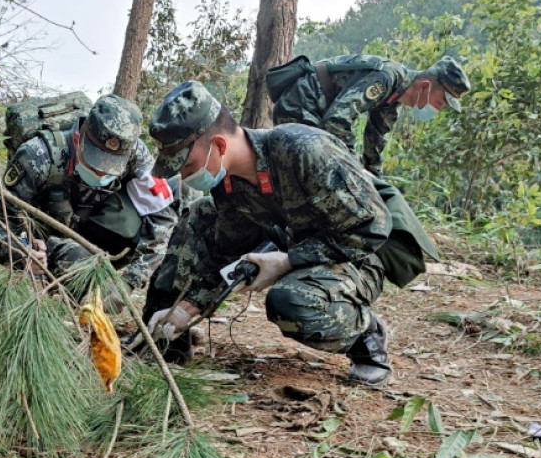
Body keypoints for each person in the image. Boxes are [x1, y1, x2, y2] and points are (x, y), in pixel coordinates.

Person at [141, 81, 394, 386]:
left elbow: (372, 229)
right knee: (199, 214)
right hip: (292, 247)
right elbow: (223, 255)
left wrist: (287, 262)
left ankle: (366, 337)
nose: (182, 175)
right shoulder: (229, 185)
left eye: (187, 164)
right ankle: (164, 335)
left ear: (220, 146)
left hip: (358, 258)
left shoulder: (304, 150)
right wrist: (185, 309)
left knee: (289, 301)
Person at [0, 94, 177, 306]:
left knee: (161, 217)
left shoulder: (136, 155)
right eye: (94, 164)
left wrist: (128, 283)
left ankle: (90, 287)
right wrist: (23, 254)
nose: (101, 174)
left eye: (111, 168)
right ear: (78, 140)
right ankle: (53, 308)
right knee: (76, 256)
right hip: (44, 239)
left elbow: (162, 220)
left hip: (93, 229)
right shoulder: (38, 156)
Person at [270, 54, 470, 175]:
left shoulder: (392, 101)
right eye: (439, 102)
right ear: (425, 86)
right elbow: (337, 121)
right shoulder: (387, 78)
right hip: (300, 104)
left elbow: (373, 147)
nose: (436, 109)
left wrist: (376, 185)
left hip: (316, 112)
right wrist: (354, 169)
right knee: (310, 173)